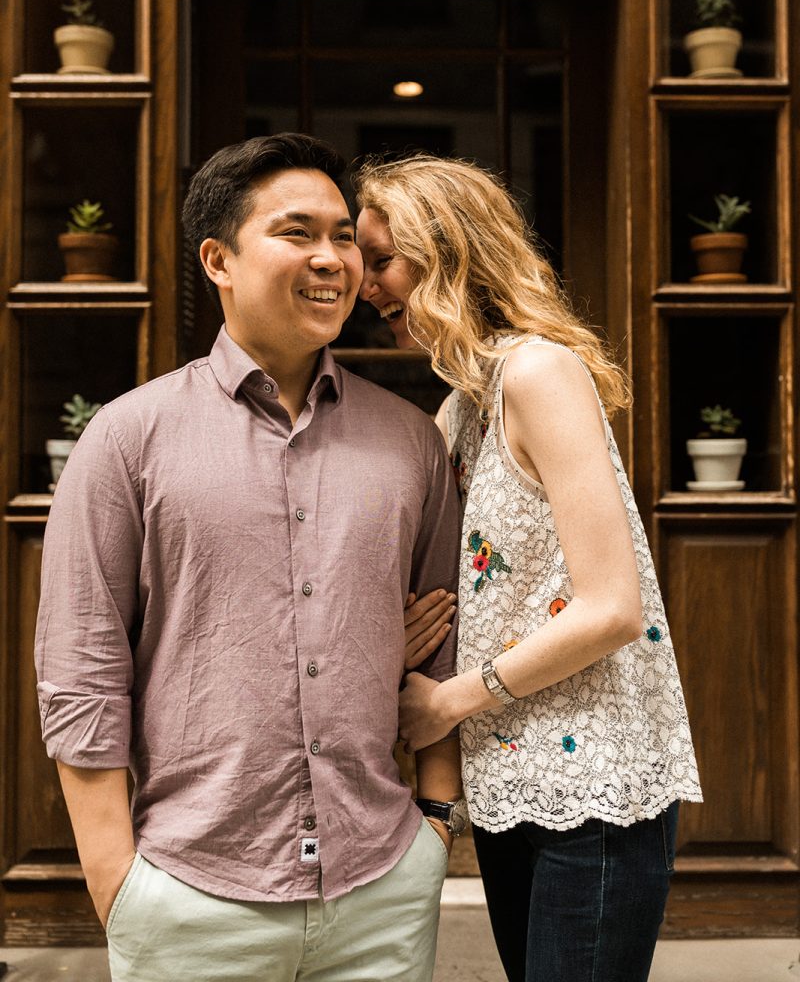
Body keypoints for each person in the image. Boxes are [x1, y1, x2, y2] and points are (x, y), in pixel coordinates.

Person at [35, 133, 464, 982]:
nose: (333, 259)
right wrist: (118, 884)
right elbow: (81, 670)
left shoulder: (411, 442)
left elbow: (446, 646)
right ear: (218, 260)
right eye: (297, 233)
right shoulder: (128, 438)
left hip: (380, 888)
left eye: (344, 236)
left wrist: (437, 826)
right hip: (190, 897)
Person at [355, 154, 702, 982]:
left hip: (597, 791)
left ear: (448, 252)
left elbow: (612, 607)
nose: (365, 285)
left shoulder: (540, 372)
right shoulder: (460, 404)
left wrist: (446, 702)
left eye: (381, 259)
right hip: (512, 781)